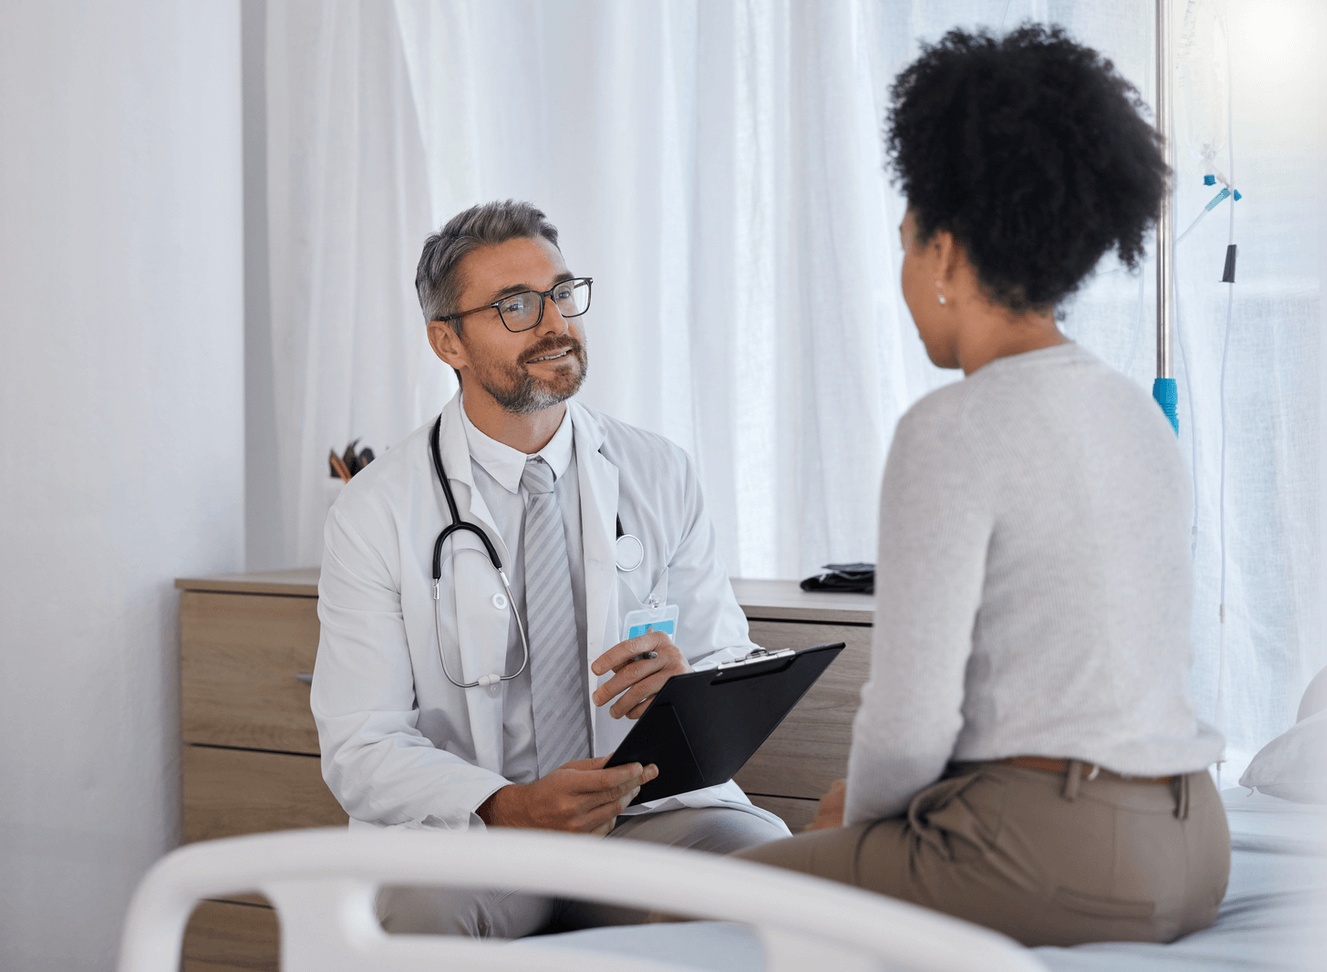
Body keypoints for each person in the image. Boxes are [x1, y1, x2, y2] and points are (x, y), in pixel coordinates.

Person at [736, 24, 1228, 947]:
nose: (902, 275)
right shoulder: (1134, 415)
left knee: (696, 897)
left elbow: (910, 715)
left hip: (1056, 850)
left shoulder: (951, 427)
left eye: (905, 247)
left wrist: (860, 819)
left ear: (948, 257)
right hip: (1196, 841)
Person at [310, 201, 789, 938]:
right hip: (478, 836)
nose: (555, 325)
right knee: (418, 916)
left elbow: (726, 657)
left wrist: (687, 685)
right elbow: (362, 743)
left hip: (644, 817)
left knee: (771, 878)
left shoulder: (658, 472)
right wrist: (508, 806)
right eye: (515, 306)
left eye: (562, 294)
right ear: (448, 342)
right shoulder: (375, 511)